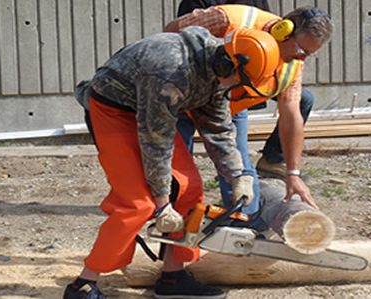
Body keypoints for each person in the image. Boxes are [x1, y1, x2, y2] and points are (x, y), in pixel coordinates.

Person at [64, 26, 281, 299]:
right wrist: (162, 204)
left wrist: (238, 175)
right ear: (228, 63)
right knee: (136, 203)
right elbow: (157, 141)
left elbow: (217, 129)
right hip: (114, 110)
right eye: (239, 81)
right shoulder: (170, 73)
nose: (236, 89)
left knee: (189, 188)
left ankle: (174, 276)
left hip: (154, 114)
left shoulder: (217, 70)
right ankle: (84, 284)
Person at [166, 4, 333, 216]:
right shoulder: (229, 19)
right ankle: (173, 224)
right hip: (183, 99)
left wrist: (293, 174)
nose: (302, 59)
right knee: (178, 171)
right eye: (301, 51)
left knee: (240, 173)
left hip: (227, 107)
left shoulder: (292, 63)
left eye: (309, 54)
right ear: (283, 31)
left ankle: (243, 223)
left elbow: (291, 115)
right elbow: (170, 31)